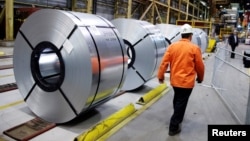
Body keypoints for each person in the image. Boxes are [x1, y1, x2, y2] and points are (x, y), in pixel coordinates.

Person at [157, 24, 205, 136]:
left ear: (181, 34)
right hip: (187, 83)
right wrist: (200, 78)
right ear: (191, 36)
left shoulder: (172, 47)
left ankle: (177, 118)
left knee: (177, 100)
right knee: (181, 104)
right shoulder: (194, 48)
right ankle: (173, 127)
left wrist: (161, 76)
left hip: (175, 81)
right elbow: (200, 66)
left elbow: (164, 63)